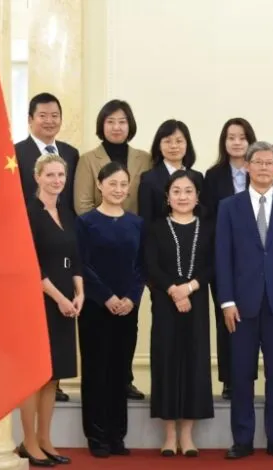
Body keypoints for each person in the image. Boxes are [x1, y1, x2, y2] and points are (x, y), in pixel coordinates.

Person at [215, 141, 273, 460]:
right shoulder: (229, 206)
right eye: (258, 162)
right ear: (247, 166)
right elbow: (222, 257)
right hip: (241, 304)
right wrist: (226, 301)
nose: (264, 167)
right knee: (241, 374)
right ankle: (242, 439)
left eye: (270, 163)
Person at [74, 99, 151, 400]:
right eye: (110, 121)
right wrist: (108, 225)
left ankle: (125, 380)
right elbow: (82, 203)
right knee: (98, 333)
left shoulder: (144, 158)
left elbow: (148, 201)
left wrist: (128, 229)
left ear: (130, 124)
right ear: (101, 125)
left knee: (127, 329)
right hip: (98, 246)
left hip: (131, 247)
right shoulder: (87, 160)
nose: (117, 127)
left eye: (122, 121)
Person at [75, 161, 146, 458]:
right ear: (100, 185)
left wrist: (130, 298)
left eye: (123, 184)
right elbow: (82, 265)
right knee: (96, 371)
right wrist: (106, 296)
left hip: (127, 309)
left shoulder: (137, 224)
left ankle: (117, 436)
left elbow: (142, 266)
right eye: (112, 183)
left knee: (120, 372)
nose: (118, 189)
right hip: (95, 308)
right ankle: (97, 436)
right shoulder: (85, 222)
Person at [18, 154, 83, 467]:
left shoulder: (66, 212)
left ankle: (45, 438)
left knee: (53, 375)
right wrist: (58, 297)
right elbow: (30, 264)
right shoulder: (29, 213)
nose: (57, 180)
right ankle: (28, 441)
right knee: (35, 374)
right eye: (50, 175)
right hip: (38, 301)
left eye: (61, 175)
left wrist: (79, 292)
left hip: (66, 302)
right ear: (37, 177)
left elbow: (74, 257)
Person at [15, 93, 79, 403]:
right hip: (29, 248)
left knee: (59, 336)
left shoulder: (71, 153)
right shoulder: (15, 153)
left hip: (62, 247)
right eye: (43, 115)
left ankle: (56, 381)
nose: (50, 121)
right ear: (30, 119)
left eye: (55, 115)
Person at [146, 170, 214, 458]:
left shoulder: (209, 227)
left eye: (188, 191)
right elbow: (150, 265)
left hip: (197, 303)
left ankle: (187, 435)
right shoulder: (155, 227)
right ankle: (169, 435)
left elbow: (213, 264)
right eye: (176, 191)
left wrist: (189, 288)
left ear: (197, 196)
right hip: (165, 303)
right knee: (166, 362)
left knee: (194, 363)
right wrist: (174, 290)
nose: (182, 196)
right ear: (167, 197)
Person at [202, 117, 257, 399]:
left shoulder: (260, 171)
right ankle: (228, 379)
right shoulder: (212, 176)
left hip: (256, 261)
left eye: (242, 137)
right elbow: (208, 218)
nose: (236, 142)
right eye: (231, 137)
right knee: (226, 318)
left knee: (252, 319)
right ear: (224, 142)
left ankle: (247, 376)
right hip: (223, 258)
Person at [139, 119, 204, 228]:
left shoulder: (198, 177)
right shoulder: (148, 179)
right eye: (167, 141)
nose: (173, 146)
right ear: (159, 145)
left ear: (187, 144)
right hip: (160, 236)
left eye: (179, 141)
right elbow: (146, 219)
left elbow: (202, 214)